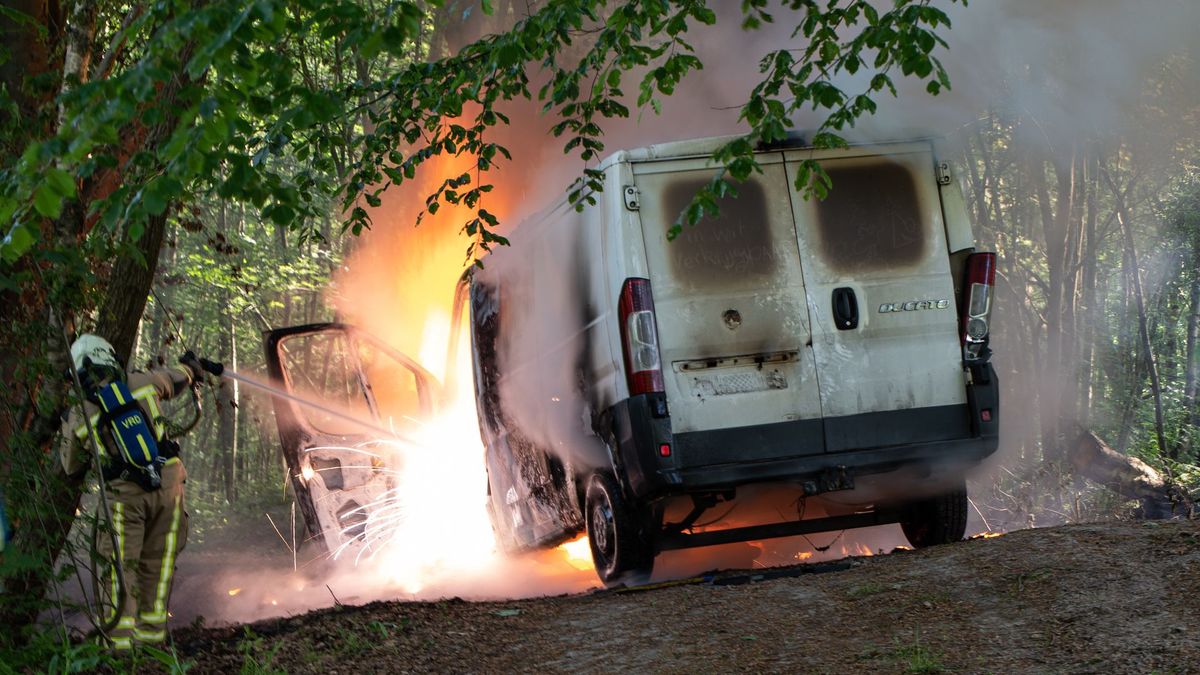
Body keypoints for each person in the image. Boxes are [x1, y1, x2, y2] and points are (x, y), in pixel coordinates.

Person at [60, 334, 222, 650]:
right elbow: (178, 378)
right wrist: (193, 367)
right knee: (158, 565)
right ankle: (151, 642)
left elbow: (70, 467)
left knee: (119, 568)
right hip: (169, 487)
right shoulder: (143, 382)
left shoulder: (80, 413)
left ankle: (119, 649)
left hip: (124, 497)